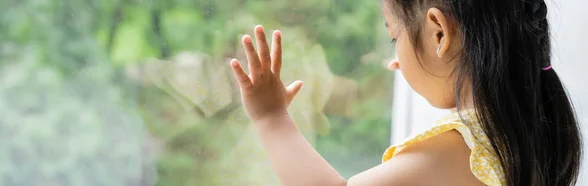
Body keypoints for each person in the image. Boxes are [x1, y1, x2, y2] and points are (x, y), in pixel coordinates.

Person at [228, 0, 582, 185]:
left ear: (439, 34)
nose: (394, 58)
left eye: (395, 38)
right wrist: (423, 65)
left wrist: (271, 117)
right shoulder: (529, 130)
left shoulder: (458, 150)